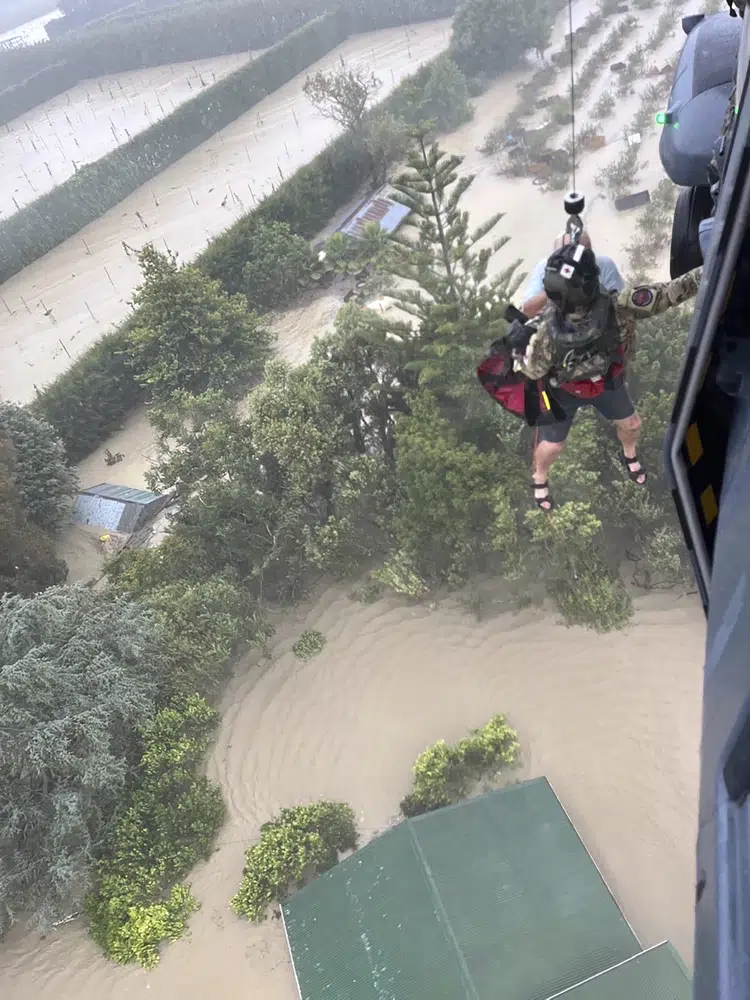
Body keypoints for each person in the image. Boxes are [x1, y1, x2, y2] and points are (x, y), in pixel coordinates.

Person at [512, 242, 702, 511]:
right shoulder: (621, 305)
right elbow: (672, 292)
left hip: (606, 384)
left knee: (631, 425)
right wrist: (715, 266)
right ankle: (539, 476)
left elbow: (530, 371)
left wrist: (520, 348)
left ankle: (629, 454)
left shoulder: (544, 335)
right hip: (563, 392)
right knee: (552, 446)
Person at [521, 230, 624, 319]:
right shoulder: (545, 268)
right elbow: (528, 311)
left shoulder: (604, 265)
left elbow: (620, 307)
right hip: (557, 331)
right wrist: (555, 285)